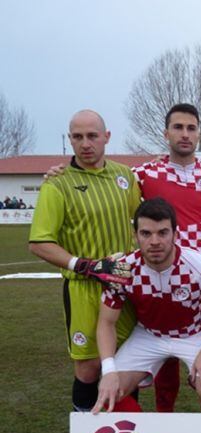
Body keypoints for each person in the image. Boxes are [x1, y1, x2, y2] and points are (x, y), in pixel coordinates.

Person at [28, 110, 140, 412]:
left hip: (124, 287)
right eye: (77, 137)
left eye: (92, 135)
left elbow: (140, 223)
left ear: (107, 137)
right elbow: (39, 242)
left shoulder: (124, 176)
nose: (85, 143)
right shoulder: (58, 184)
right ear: (70, 139)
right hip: (83, 291)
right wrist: (85, 265)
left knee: (126, 363)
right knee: (89, 368)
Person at [132, 103, 201, 412]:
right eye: (178, 128)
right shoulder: (144, 174)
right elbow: (110, 190)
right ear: (166, 133)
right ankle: (164, 421)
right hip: (160, 275)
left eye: (191, 128)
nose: (185, 134)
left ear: (199, 134)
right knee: (164, 353)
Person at [92, 198, 201, 414]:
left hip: (196, 334)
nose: (154, 241)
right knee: (110, 392)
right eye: (146, 233)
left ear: (175, 234)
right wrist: (108, 370)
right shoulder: (121, 269)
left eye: (162, 233)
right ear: (135, 236)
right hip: (148, 335)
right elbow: (106, 323)